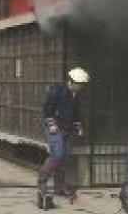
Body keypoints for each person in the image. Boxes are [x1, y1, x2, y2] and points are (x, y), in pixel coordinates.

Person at [38, 67, 90, 199]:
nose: (81, 88)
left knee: (64, 158)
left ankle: (59, 188)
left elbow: (76, 112)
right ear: (73, 82)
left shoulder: (75, 94)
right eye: (80, 85)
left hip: (68, 128)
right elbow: (47, 109)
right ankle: (42, 182)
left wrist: (78, 125)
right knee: (57, 155)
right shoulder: (57, 90)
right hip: (55, 128)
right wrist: (51, 124)